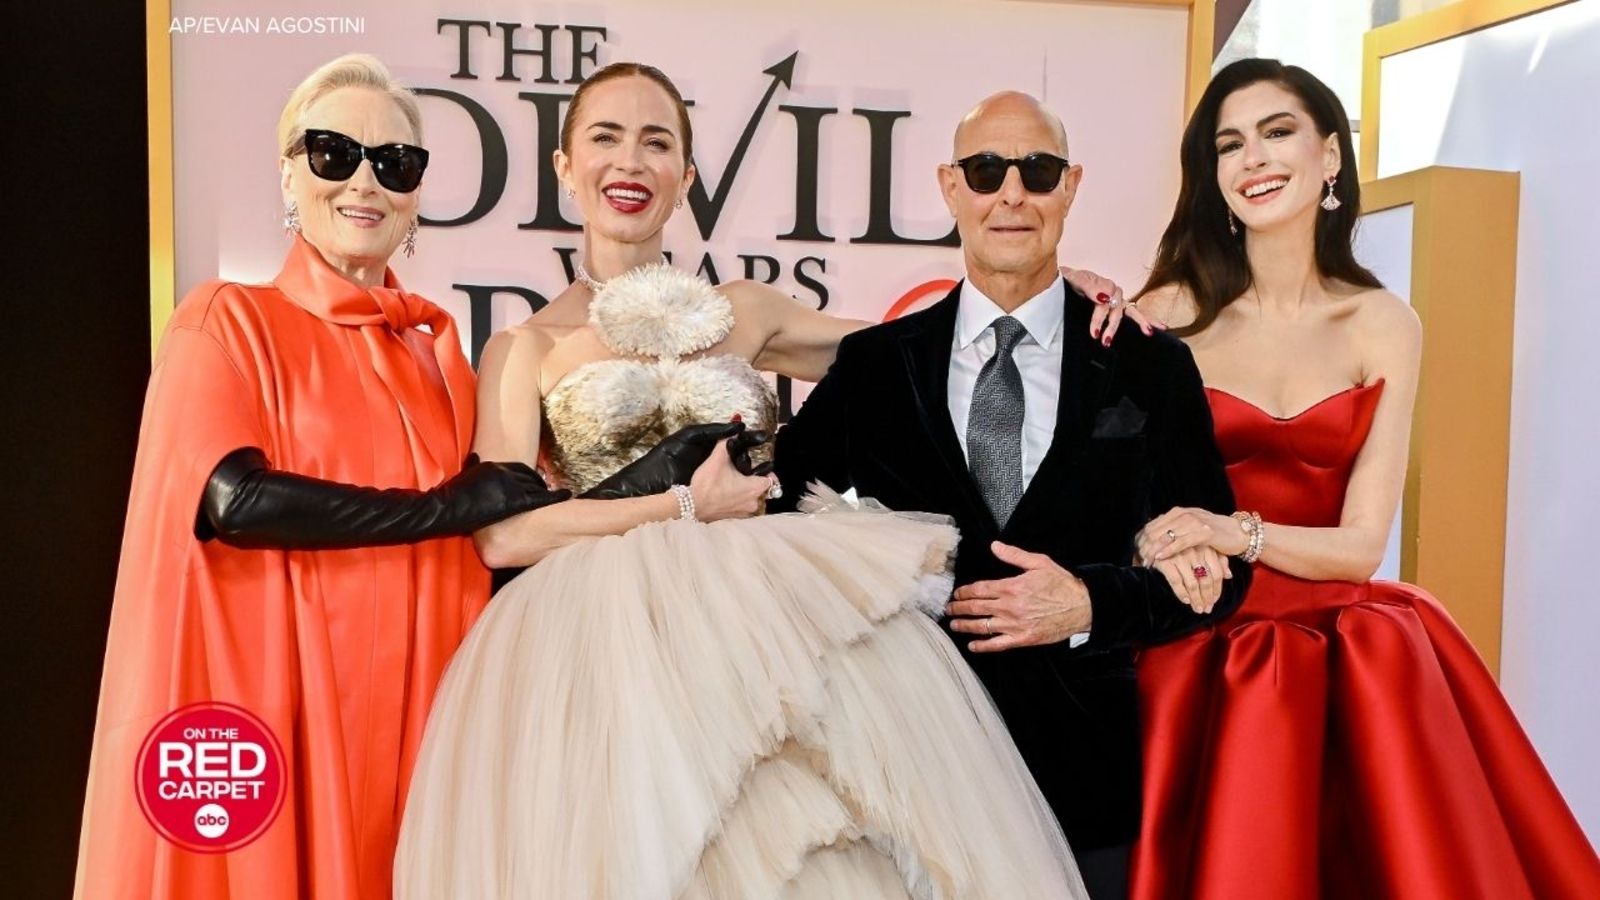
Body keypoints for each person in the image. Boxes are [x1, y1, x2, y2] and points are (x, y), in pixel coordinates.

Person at [393, 63, 1088, 898]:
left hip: (761, 623)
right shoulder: (525, 348)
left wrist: (1043, 291)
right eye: (606, 138)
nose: (631, 161)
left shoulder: (746, 312)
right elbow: (506, 535)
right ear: (565, 168)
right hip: (605, 646)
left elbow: (925, 346)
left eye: (657, 143)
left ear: (686, 176)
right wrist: (687, 504)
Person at [1087, 58, 1600, 898]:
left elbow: (1363, 546)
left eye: (1277, 132)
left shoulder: (1384, 322)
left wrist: (1233, 530)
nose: (1253, 158)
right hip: (1194, 648)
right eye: (1229, 144)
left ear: (1330, 155)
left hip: (1347, 655)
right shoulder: (1168, 313)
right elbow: (1113, 496)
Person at [72, 55, 574, 898]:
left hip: (419, 726)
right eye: (334, 153)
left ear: (416, 193)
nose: (364, 182)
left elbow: (512, 526)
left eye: (395, 162)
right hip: (282, 718)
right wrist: (443, 506)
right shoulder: (227, 320)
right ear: (289, 174)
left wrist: (664, 487)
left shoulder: (442, 361)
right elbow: (235, 499)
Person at [771, 90, 1250, 900]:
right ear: (951, 186)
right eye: (987, 170)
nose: (1012, 194)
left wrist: (1088, 604)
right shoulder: (877, 365)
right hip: (906, 779)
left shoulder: (1149, 366)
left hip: (1084, 781)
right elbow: (781, 514)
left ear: (1072, 187)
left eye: (1039, 170)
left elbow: (1220, 573)